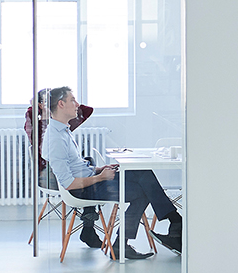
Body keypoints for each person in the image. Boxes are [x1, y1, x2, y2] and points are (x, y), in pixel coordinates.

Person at [40, 86, 183, 259]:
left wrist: (98, 169)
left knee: (141, 172)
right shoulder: (55, 138)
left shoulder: (62, 131)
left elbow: (75, 166)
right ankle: (131, 240)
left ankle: (175, 224)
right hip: (83, 190)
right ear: (61, 104)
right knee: (142, 192)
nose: (77, 104)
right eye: (72, 100)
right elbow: (68, 183)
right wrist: (100, 177)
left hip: (91, 178)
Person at [25, 88, 93, 191]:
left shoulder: (59, 124)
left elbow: (87, 110)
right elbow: (29, 115)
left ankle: (89, 204)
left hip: (64, 167)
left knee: (88, 161)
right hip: (49, 173)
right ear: (39, 105)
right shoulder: (39, 127)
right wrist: (36, 108)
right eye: (46, 100)